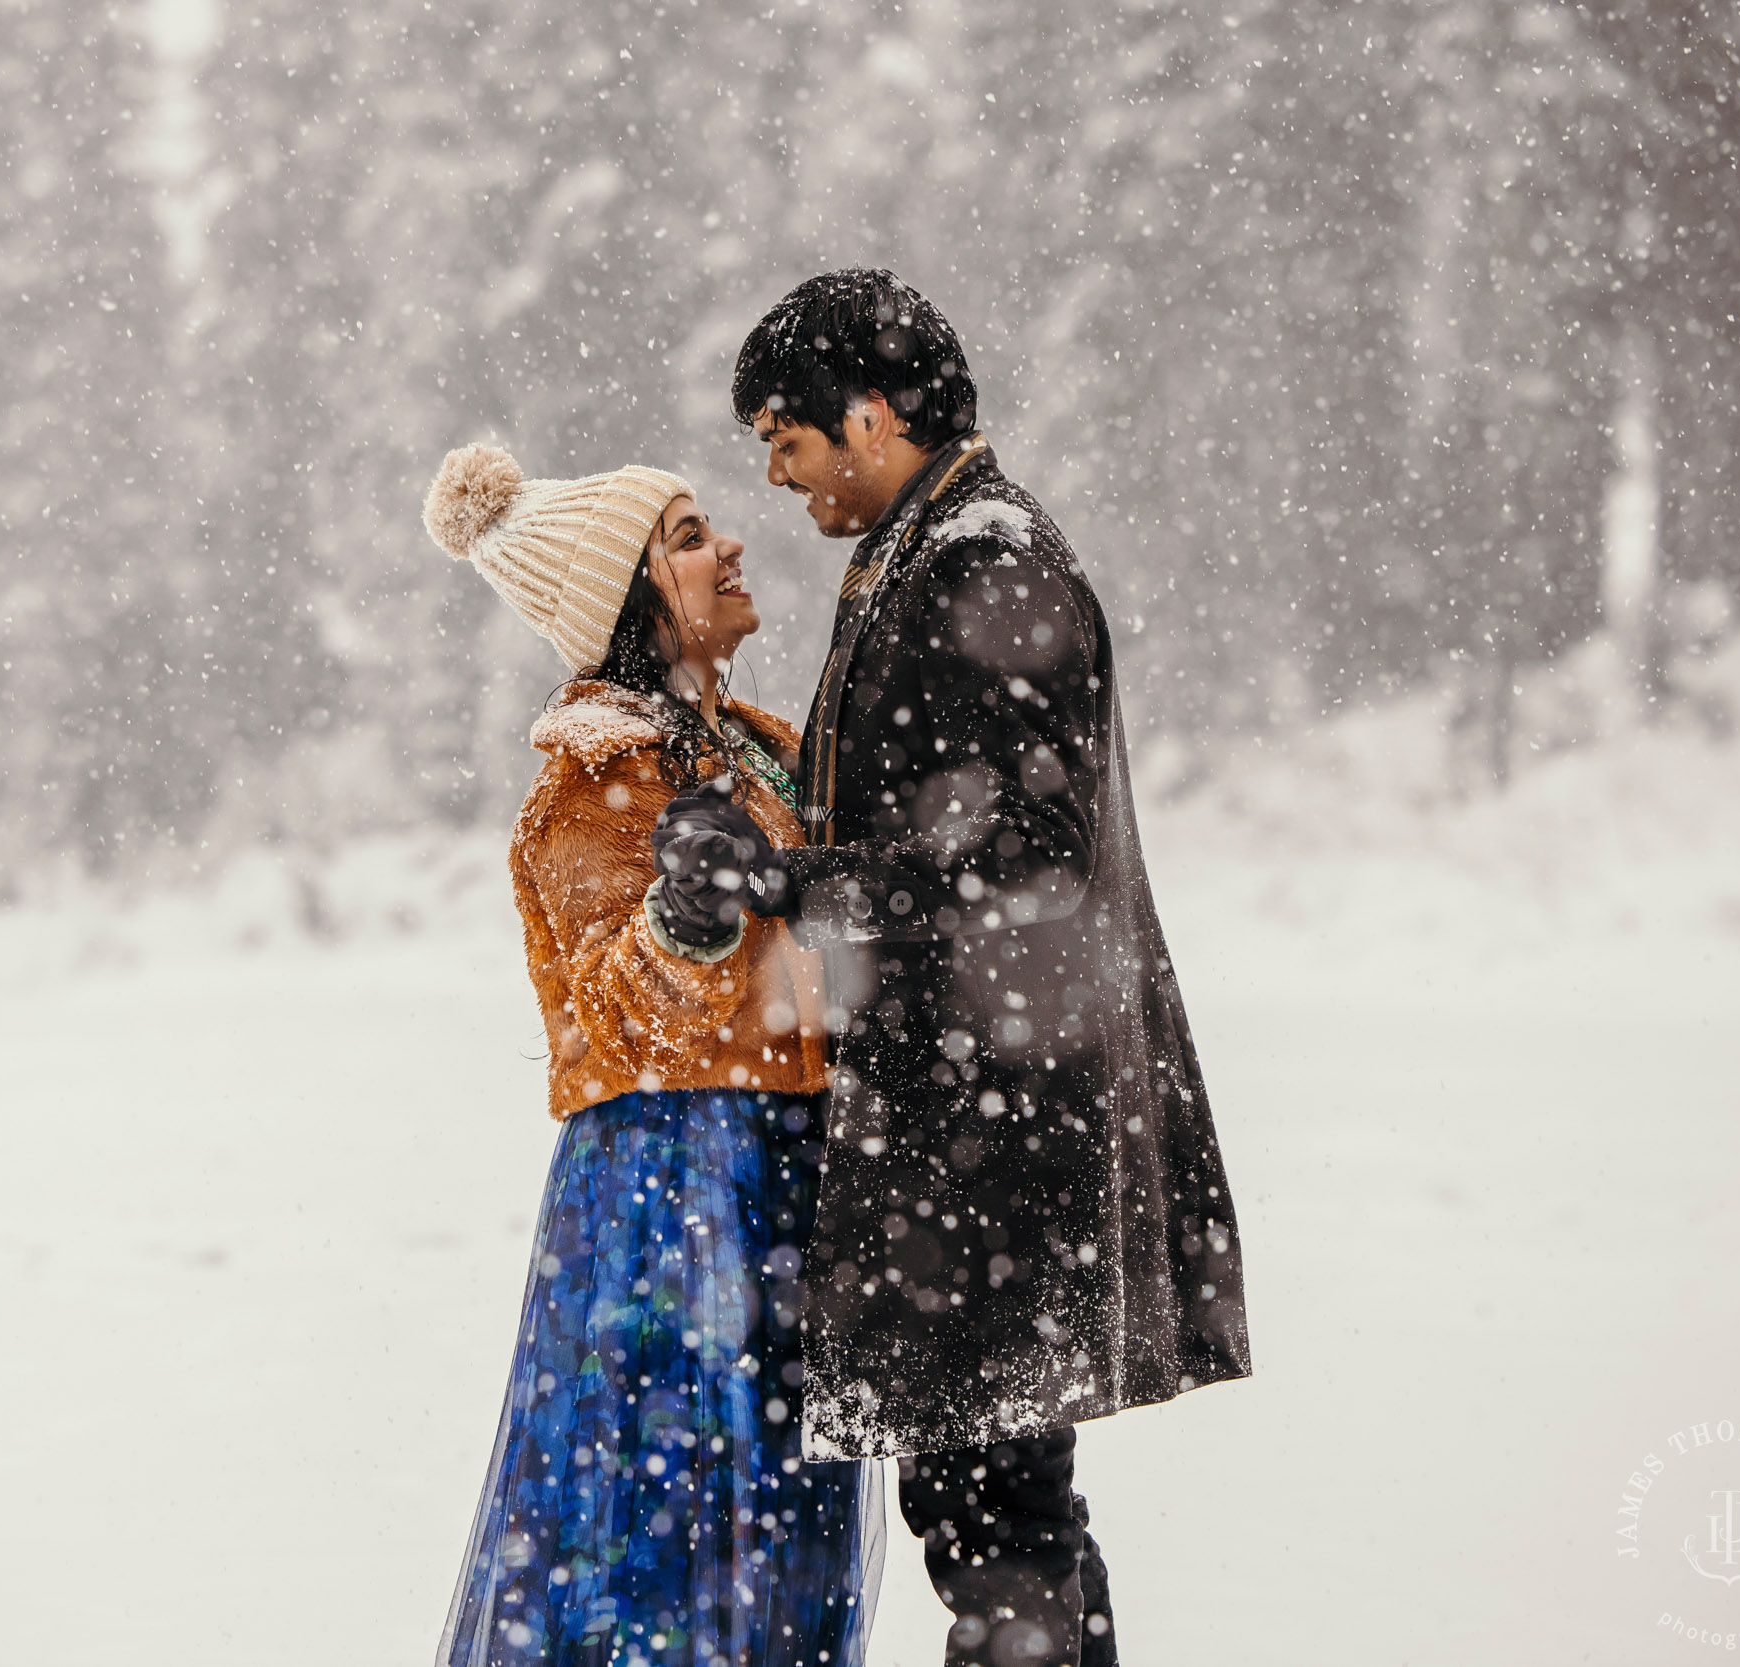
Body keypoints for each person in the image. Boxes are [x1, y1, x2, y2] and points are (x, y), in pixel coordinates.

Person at [651, 271, 1253, 1667]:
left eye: (785, 441)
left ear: (868, 414)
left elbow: (1030, 854)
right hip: (970, 1112)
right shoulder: (924, 549)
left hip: (1003, 1123)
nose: (778, 476)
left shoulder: (987, 561)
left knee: (998, 1511)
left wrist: (797, 886)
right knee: (983, 1501)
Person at [423, 442, 884, 1667]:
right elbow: (608, 1024)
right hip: (671, 1202)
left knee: (773, 1547)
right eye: (685, 536)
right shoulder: (591, 787)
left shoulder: (763, 746)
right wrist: (681, 920)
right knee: (666, 1548)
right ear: (626, 605)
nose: (726, 542)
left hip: (783, 1181)